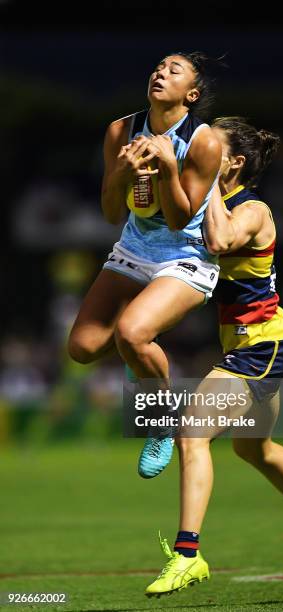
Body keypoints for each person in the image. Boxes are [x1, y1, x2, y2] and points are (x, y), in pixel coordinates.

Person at [145, 117, 283, 597]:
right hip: (257, 345)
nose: (200, 146)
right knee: (252, 448)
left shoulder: (253, 209)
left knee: (192, 434)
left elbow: (219, 242)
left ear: (234, 161)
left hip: (260, 347)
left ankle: (187, 555)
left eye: (211, 144)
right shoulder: (213, 203)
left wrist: (209, 182)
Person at [68, 52, 222, 477]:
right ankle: (144, 366)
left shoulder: (203, 140)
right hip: (134, 250)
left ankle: (161, 422)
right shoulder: (121, 129)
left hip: (186, 256)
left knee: (132, 333)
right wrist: (122, 173)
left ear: (190, 94)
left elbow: (178, 218)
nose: (160, 72)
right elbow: (110, 212)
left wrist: (168, 168)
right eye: (157, 66)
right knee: (81, 348)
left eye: (174, 71)